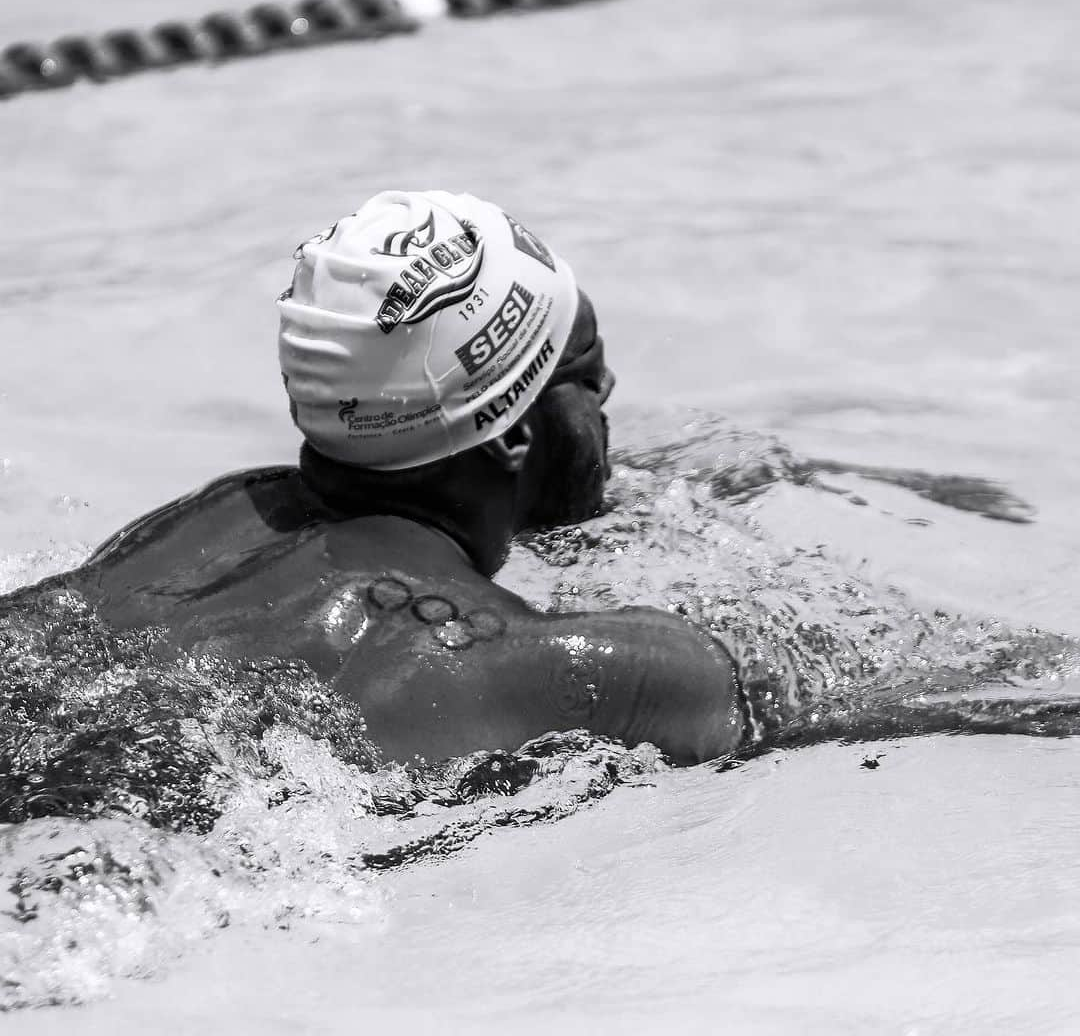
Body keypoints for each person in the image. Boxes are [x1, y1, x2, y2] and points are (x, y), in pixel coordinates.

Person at [15, 191, 746, 766]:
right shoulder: (602, 670)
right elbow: (825, 708)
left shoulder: (214, 519)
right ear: (517, 435)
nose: (608, 385)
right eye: (583, 370)